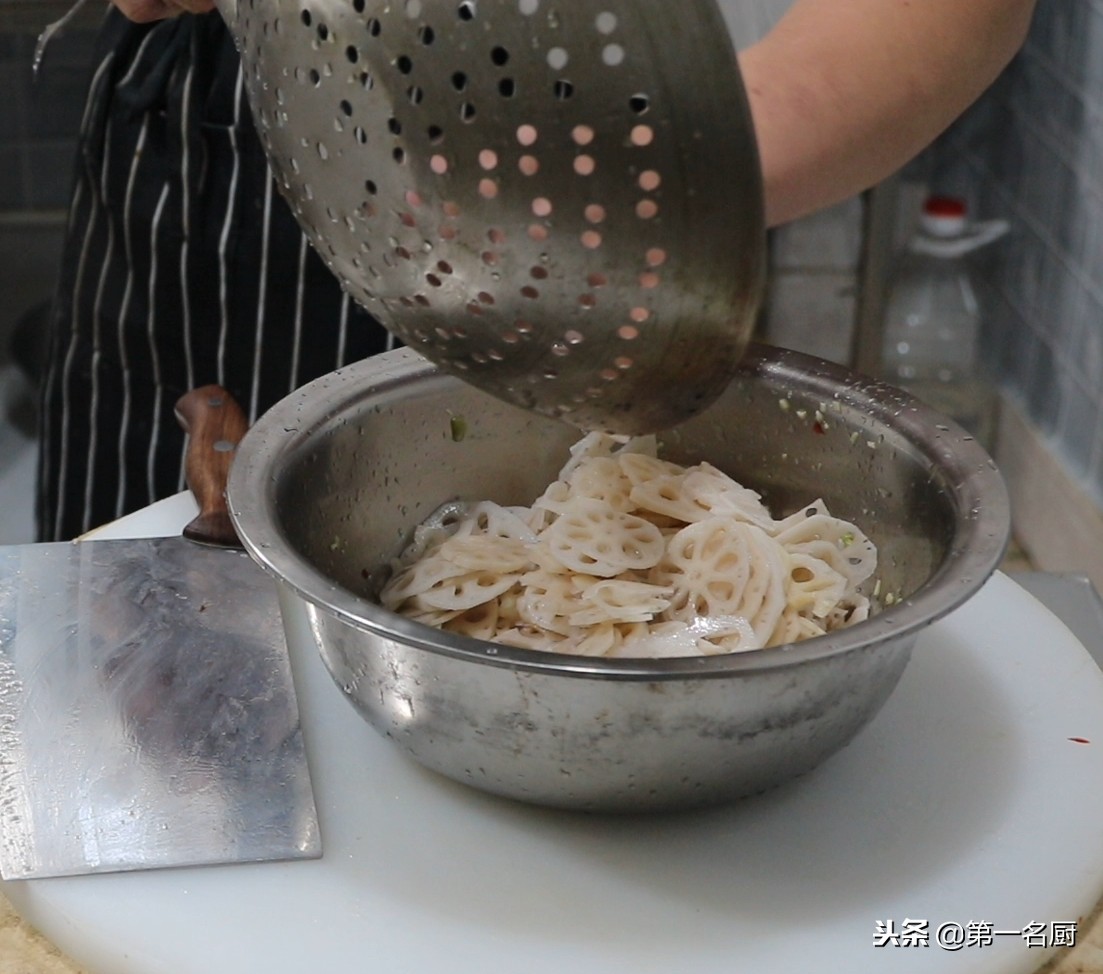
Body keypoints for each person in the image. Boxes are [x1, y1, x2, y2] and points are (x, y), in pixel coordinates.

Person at [36, 0, 1039, 541]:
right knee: (144, 644)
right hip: (216, 134)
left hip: (606, 143)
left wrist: (653, 191)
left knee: (545, 613)